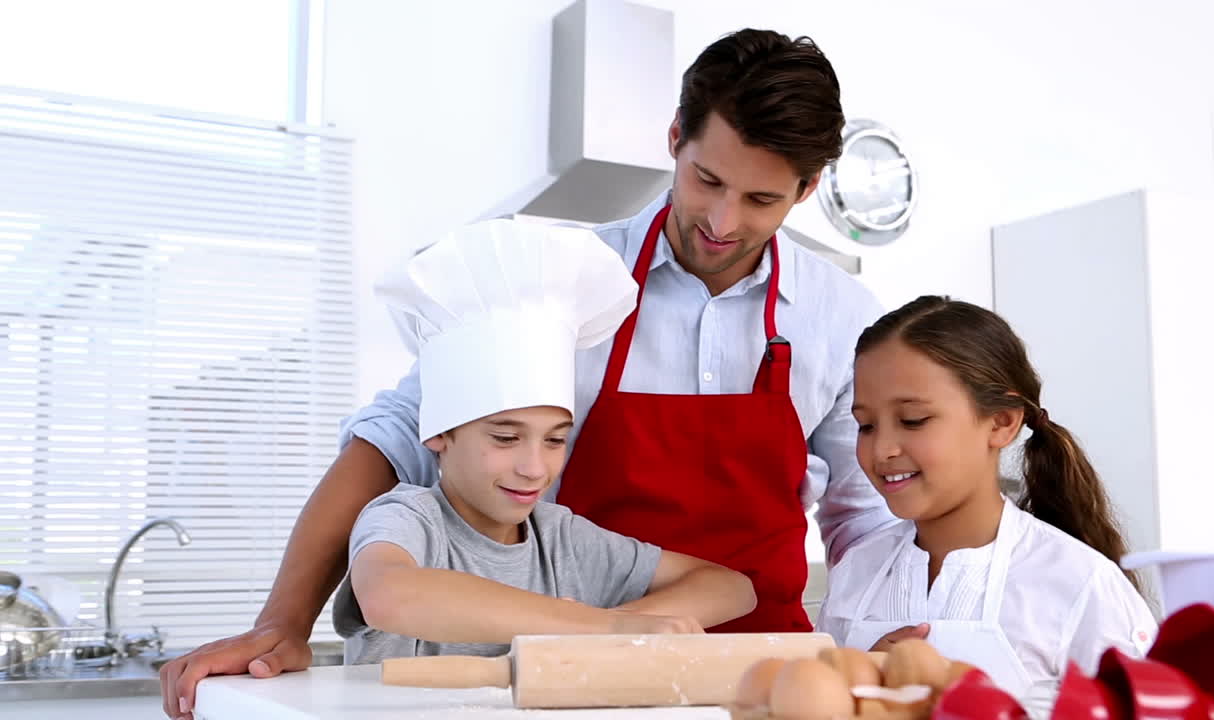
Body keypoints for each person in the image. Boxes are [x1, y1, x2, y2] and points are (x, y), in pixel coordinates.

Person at [161, 27, 892, 719]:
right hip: (576, 678)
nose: (722, 222)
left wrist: (875, 656)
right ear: (675, 139)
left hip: (763, 677)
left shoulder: (844, 319)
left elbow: (863, 521)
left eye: (761, 199)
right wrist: (283, 623)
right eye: (706, 180)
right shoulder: (557, 281)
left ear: (805, 189)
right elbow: (389, 446)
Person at [334, 219, 755, 663]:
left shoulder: (559, 539)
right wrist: (604, 626)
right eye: (505, 437)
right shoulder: (407, 520)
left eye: (555, 440)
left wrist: (618, 629)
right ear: (439, 432)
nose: (534, 468)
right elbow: (390, 595)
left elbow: (730, 587)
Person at [816, 296, 1157, 719]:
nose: (881, 449)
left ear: (1001, 423)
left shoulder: (1081, 585)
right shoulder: (857, 572)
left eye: (913, 420)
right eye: (866, 425)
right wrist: (856, 689)